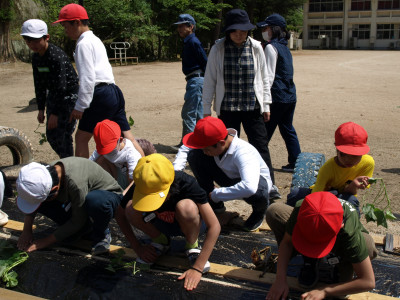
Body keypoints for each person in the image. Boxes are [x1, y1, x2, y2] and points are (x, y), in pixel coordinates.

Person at [202, 9, 280, 200]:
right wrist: (206, 110)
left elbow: (263, 78)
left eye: (244, 30)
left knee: (261, 146)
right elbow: (209, 80)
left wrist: (266, 104)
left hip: (252, 107)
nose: (240, 34)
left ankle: (270, 186)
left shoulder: (256, 47)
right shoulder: (218, 48)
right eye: (235, 30)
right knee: (225, 150)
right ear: (228, 30)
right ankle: (233, 184)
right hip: (227, 108)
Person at [115, 153, 220, 291]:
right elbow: (119, 213)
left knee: (186, 207)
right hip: (161, 224)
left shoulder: (187, 183)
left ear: (169, 186)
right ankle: (161, 241)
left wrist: (198, 268)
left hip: (190, 225)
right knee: (130, 208)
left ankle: (192, 245)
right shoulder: (142, 183)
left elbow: (215, 226)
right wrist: (137, 247)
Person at [53, 4, 144, 158]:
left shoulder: (83, 44)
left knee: (81, 138)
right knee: (128, 136)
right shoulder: (95, 40)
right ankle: (149, 170)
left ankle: (82, 179)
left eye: (65, 25)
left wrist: (80, 106)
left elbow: (88, 78)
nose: (65, 31)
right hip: (113, 91)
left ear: (76, 22)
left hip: (99, 94)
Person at [265, 192, 377, 300]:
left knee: (368, 247)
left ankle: (342, 263)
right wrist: (280, 279)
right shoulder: (303, 207)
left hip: (342, 243)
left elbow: (368, 281)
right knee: (274, 211)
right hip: (315, 228)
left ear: (340, 226)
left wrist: (325, 290)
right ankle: (310, 261)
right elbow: (287, 242)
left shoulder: (348, 230)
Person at [16, 158, 123, 255]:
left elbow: (78, 220)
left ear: (54, 189)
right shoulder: (44, 176)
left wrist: (46, 241)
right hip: (78, 199)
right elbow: (33, 201)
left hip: (108, 196)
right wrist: (27, 230)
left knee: (95, 202)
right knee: (69, 235)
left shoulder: (76, 184)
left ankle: (101, 233)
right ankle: (80, 229)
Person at [183, 116, 272, 232]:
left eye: (207, 149)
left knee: (258, 192)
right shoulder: (217, 146)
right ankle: (215, 207)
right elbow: (186, 148)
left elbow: (249, 187)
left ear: (221, 143)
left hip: (255, 184)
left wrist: (218, 194)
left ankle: (259, 212)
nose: (205, 152)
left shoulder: (244, 153)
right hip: (227, 176)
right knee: (194, 156)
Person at [287, 122, 374, 214]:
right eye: (344, 154)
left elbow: (350, 193)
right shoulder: (327, 168)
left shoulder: (368, 163)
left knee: (352, 201)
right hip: (323, 194)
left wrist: (354, 185)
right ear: (337, 149)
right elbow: (315, 197)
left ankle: (351, 226)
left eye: (355, 156)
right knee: (295, 194)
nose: (349, 160)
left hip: (343, 196)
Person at [21, 19, 78, 158]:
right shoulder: (36, 58)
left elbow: (62, 85)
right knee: (52, 135)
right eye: (28, 40)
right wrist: (41, 108)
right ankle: (68, 162)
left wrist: (56, 113)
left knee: (63, 134)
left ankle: (69, 166)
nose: (31, 44)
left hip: (68, 96)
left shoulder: (55, 56)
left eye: (35, 40)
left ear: (46, 37)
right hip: (54, 95)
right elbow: (39, 84)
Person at [257, 14, 301, 172]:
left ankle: (255, 164)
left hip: (277, 96)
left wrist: (264, 101)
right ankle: (296, 161)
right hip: (290, 95)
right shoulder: (284, 47)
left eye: (266, 28)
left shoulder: (271, 47)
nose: (263, 31)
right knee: (287, 128)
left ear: (274, 29)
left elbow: (268, 76)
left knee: (263, 133)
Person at [173, 14, 208, 147]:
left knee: (189, 113)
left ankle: (187, 146)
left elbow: (205, 61)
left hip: (196, 80)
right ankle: (201, 143)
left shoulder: (193, 42)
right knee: (198, 115)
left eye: (182, 26)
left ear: (191, 27)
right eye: (179, 26)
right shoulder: (189, 41)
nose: (179, 29)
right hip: (196, 80)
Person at [89, 119, 143, 189]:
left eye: (110, 148)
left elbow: (134, 181)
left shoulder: (130, 152)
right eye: (103, 149)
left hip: (130, 184)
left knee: (133, 171)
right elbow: (89, 163)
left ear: (120, 140)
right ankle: (109, 190)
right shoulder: (101, 147)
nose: (107, 152)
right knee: (100, 159)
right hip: (115, 178)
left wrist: (124, 196)